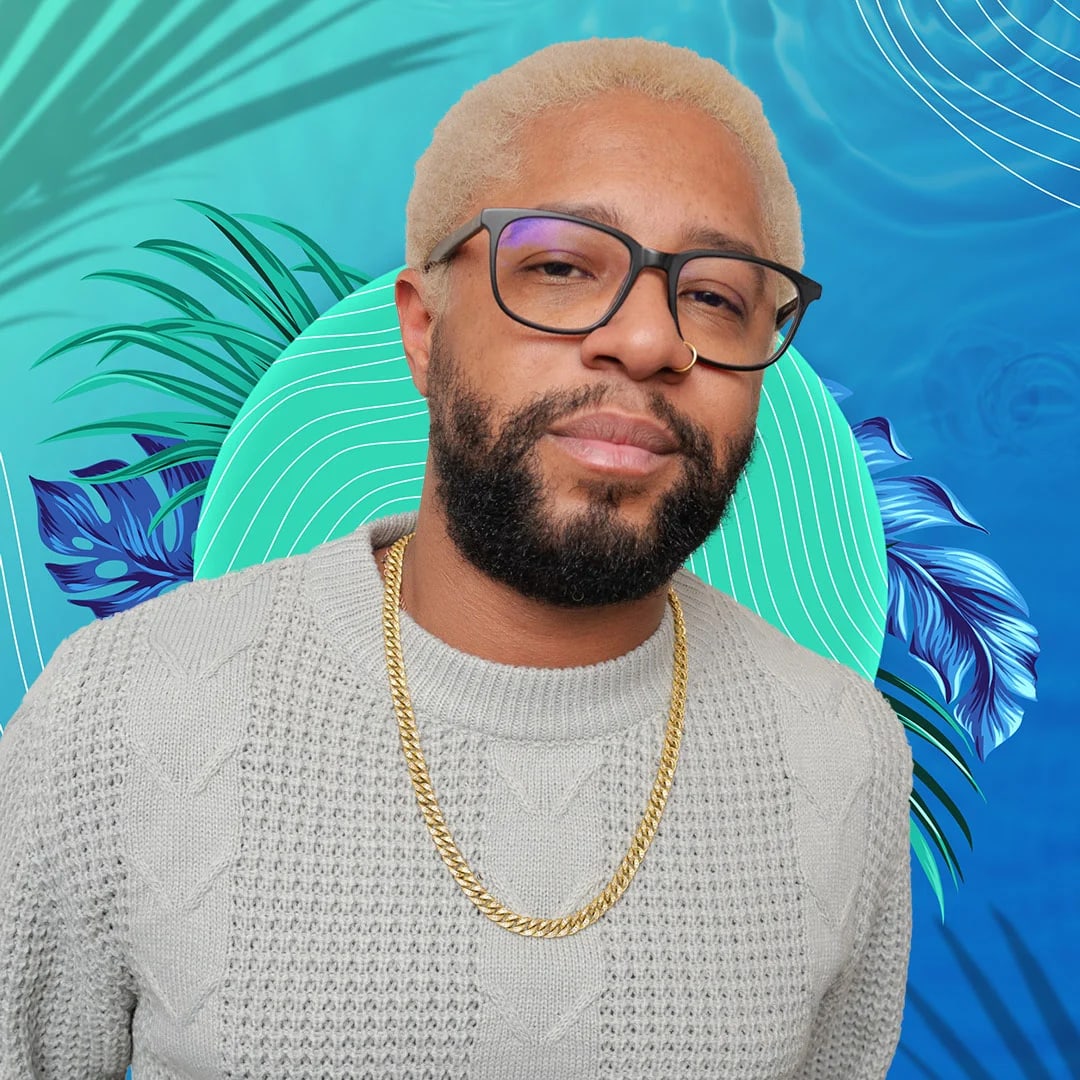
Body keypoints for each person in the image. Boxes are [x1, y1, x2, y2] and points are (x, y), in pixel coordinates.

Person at [0, 37, 911, 1079]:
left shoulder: (843, 755)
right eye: (562, 267)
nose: (650, 342)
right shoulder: (124, 710)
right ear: (424, 331)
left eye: (715, 296)